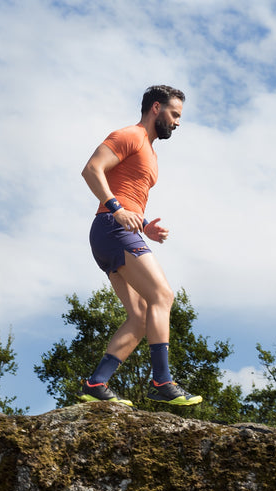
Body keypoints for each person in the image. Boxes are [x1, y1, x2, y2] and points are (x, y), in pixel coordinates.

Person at [78, 85, 201, 407]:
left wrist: (145, 225)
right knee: (162, 296)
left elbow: (129, 196)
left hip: (111, 231)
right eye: (174, 114)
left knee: (141, 315)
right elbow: (91, 169)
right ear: (156, 108)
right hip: (110, 226)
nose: (177, 122)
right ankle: (163, 380)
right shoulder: (129, 135)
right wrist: (117, 209)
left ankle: (96, 383)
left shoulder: (150, 152)